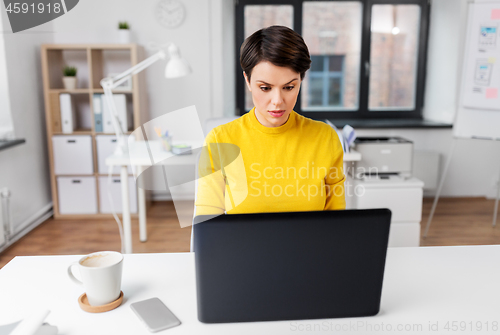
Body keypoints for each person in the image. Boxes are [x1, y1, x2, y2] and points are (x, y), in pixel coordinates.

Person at [195, 25, 345, 216]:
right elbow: (208, 221)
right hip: (243, 246)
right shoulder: (220, 140)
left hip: (310, 246)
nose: (277, 101)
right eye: (265, 88)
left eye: (289, 87)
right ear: (248, 81)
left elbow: (337, 221)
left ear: (300, 81)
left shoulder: (325, 138)